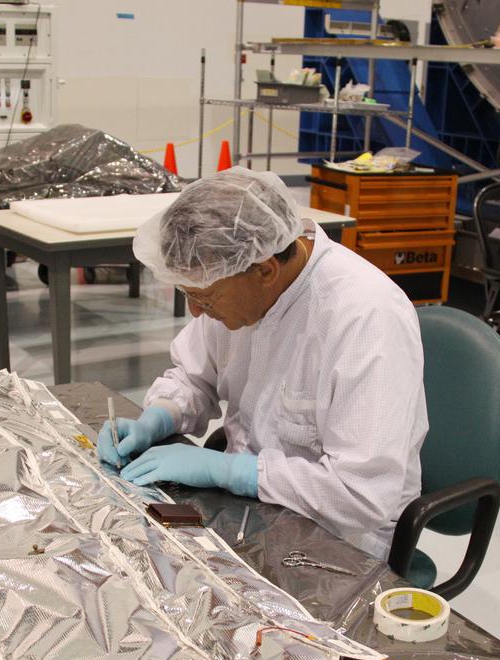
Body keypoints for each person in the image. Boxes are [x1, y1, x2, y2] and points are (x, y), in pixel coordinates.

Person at [98, 167, 428, 563]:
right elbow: (193, 377)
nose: (195, 311)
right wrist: (159, 416)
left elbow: (361, 494)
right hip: (251, 510)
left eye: (205, 297)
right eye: (188, 294)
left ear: (266, 270)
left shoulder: (366, 320)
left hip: (338, 539)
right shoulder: (237, 285)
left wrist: (231, 472)